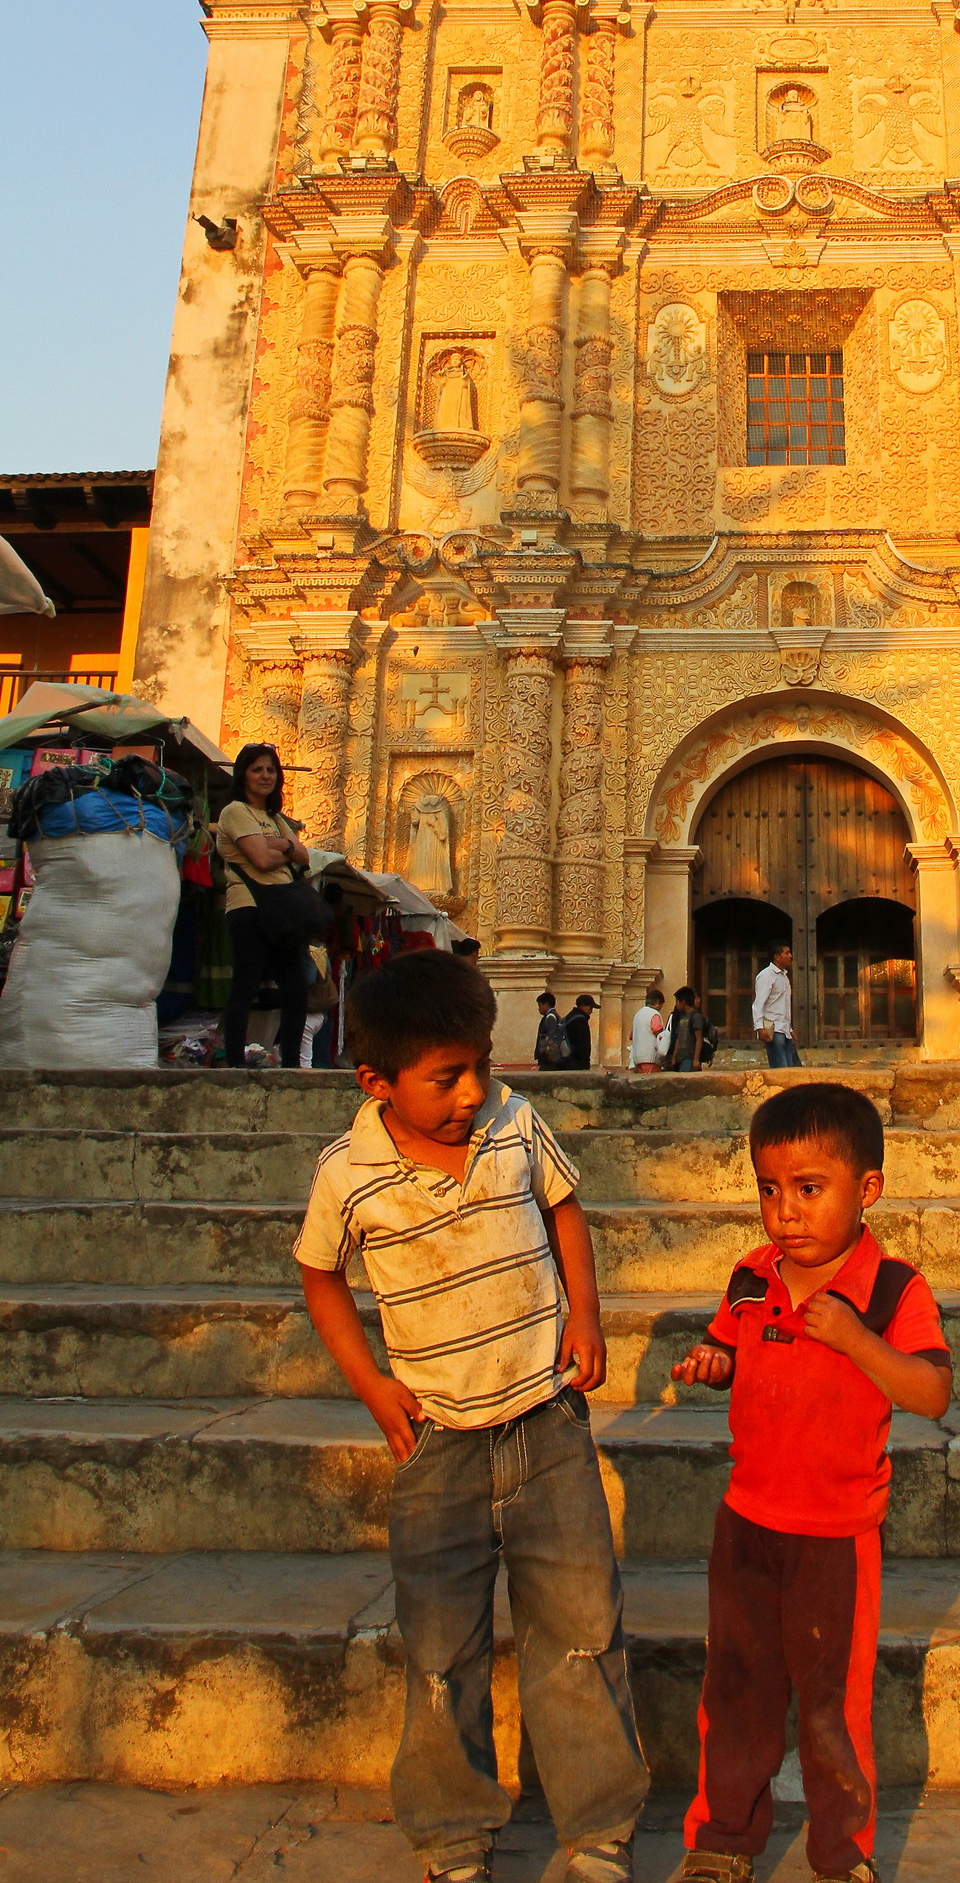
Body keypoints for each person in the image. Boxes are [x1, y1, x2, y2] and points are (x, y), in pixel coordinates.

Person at [294, 954, 647, 1883]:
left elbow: (564, 1208)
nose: (471, 1091)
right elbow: (319, 1274)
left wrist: (586, 1310)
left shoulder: (513, 1122)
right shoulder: (349, 1173)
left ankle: (600, 1832)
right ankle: (453, 1840)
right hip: (439, 1442)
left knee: (581, 1632)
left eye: (479, 1067)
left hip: (546, 1418)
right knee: (441, 1652)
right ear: (376, 1082)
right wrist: (370, 1382)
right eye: (446, 1078)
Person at [670, 1083, 951, 1883]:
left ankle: (841, 1854)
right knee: (736, 1691)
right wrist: (713, 1364)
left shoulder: (892, 1288)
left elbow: (929, 1391)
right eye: (768, 1190)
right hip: (747, 1521)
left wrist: (857, 1339)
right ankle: (722, 1840)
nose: (785, 1212)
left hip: (835, 1533)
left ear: (867, 1191)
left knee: (832, 1709)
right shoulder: (750, 1276)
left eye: (807, 1190)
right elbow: (733, 1348)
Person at [214, 742, 313, 1070]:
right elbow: (260, 859)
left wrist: (279, 844)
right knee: (246, 983)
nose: (265, 775)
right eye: (257, 769)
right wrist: (283, 849)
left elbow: (304, 855)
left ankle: (291, 1064)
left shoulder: (273, 817)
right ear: (243, 774)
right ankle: (233, 1062)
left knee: (296, 989)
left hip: (283, 909)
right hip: (249, 907)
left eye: (270, 769)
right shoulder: (235, 812)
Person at [752, 944, 800, 1069]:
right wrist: (759, 1028)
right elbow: (758, 1004)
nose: (790, 956)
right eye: (787, 953)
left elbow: (782, 1005)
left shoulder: (784, 977)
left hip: (784, 1029)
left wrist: (789, 1029)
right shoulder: (766, 975)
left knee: (791, 1068)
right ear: (777, 957)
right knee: (781, 1068)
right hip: (773, 1029)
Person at [668, 984, 706, 1073]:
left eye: (678, 1001)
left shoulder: (695, 1017)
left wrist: (696, 1059)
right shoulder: (682, 1017)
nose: (676, 1004)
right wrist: (674, 1057)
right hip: (680, 1058)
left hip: (689, 1057)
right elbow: (679, 1038)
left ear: (683, 1002)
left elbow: (699, 1039)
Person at [630, 987, 667, 1072]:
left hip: (637, 1058)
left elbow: (631, 1036)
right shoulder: (654, 1014)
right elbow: (659, 1034)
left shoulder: (637, 1015)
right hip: (650, 1057)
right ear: (658, 1002)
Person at [534, 991, 570, 1070]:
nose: (538, 1008)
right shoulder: (555, 1016)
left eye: (540, 1005)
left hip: (549, 1058)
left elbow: (551, 1036)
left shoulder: (550, 1017)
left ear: (546, 1004)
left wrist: (544, 1054)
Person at [563, 993, 597, 1071]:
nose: (591, 1011)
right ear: (582, 1005)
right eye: (590, 1008)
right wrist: (585, 1064)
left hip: (566, 1060)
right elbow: (583, 1044)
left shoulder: (569, 1017)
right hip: (576, 1063)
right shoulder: (580, 1020)